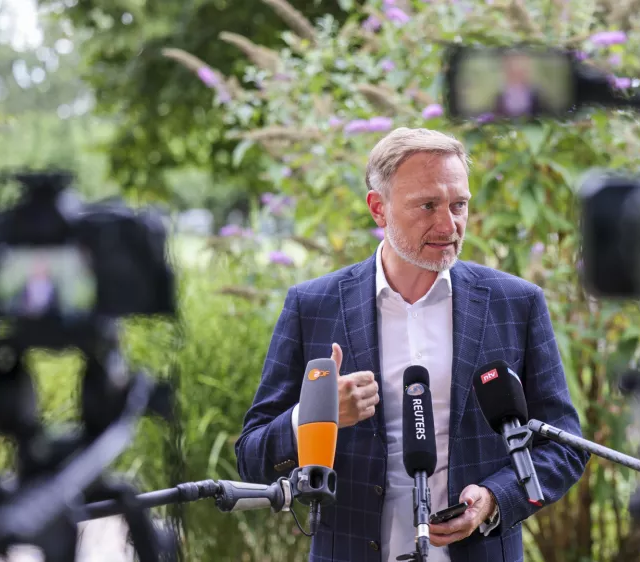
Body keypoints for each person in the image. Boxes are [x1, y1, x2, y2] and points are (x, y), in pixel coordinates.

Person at [235, 127, 590, 562]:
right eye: (427, 205)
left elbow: (566, 446)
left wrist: (495, 499)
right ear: (378, 209)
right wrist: (318, 416)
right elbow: (252, 457)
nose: (448, 224)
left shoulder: (515, 303)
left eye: (459, 205)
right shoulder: (313, 305)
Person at [493, 52, 549, 118]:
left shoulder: (536, 92)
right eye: (512, 66)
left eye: (520, 67)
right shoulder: (500, 94)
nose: (517, 71)